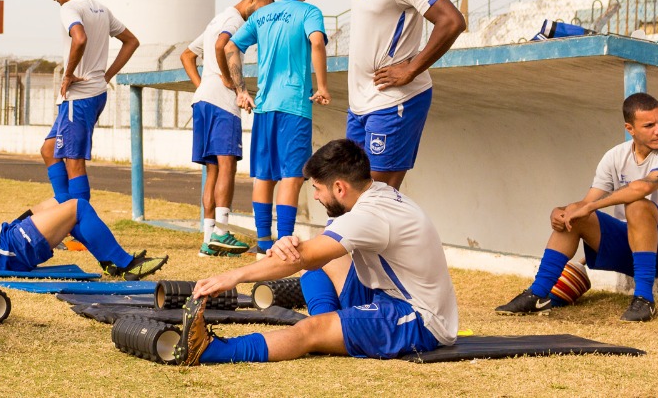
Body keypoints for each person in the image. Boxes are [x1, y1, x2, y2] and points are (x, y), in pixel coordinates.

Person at [174, 139, 457, 366]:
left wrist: (232, 277)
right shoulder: (372, 194)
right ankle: (331, 331)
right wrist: (292, 248)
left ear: (339, 187)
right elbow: (311, 255)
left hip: (419, 319)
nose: (317, 197)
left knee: (309, 330)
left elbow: (302, 258)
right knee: (317, 268)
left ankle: (209, 351)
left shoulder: (368, 216)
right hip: (387, 294)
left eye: (318, 190)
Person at [496, 92, 658, 322]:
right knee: (575, 212)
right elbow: (585, 204)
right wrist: (562, 212)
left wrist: (592, 206)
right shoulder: (615, 156)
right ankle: (538, 294)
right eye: (649, 125)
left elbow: (643, 187)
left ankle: (644, 299)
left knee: (637, 205)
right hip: (634, 248)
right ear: (630, 128)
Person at [333, 0, 466, 189]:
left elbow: (452, 21)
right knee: (353, 196)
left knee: (374, 198)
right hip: (360, 103)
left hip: (394, 103)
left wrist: (411, 69)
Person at [0, 134, 167, 280]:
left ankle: (109, 260)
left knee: (62, 200)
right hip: (5, 251)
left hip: (5, 237)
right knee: (79, 207)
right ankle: (125, 265)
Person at [223, 0, 330, 255]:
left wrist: (241, 90)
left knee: (264, 176)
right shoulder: (309, 12)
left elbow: (231, 47)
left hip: (265, 107)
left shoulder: (260, 15)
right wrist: (322, 86)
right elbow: (317, 42)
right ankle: (284, 243)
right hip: (294, 107)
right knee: (291, 176)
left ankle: (263, 244)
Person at [180, 0, 274, 257]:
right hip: (221, 103)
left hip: (203, 100)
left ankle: (208, 239)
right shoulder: (234, 20)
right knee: (227, 166)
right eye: (263, 9)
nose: (262, 16)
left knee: (212, 171)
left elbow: (187, 55)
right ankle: (222, 231)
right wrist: (227, 79)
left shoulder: (217, 18)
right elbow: (223, 45)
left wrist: (203, 85)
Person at [42, 0, 139, 203]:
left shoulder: (70, 8)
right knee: (49, 150)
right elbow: (131, 41)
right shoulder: (101, 9)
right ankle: (65, 211)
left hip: (80, 96)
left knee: (74, 162)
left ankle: (79, 226)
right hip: (94, 94)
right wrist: (106, 75)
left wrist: (68, 74)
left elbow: (80, 37)